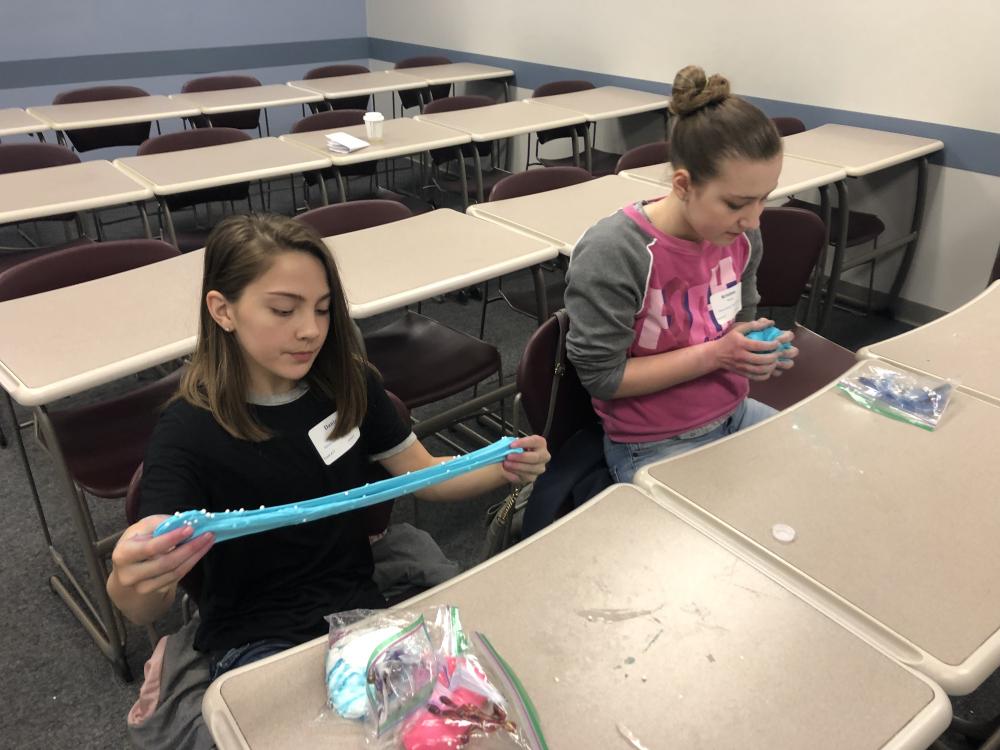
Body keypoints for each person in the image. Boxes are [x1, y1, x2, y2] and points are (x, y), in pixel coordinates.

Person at [108, 213, 549, 683]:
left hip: (358, 610)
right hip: (254, 638)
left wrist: (505, 465)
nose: (311, 330)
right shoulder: (187, 430)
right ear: (223, 311)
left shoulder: (347, 384)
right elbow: (141, 604)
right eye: (283, 310)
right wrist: (134, 579)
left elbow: (426, 476)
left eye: (321, 309)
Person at [564, 65, 798, 484]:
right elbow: (602, 377)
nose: (754, 219)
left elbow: (737, 323)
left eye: (764, 199)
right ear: (683, 184)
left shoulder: (741, 237)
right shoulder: (617, 251)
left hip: (734, 412)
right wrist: (718, 354)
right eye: (736, 203)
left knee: (812, 479)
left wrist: (753, 349)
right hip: (652, 440)